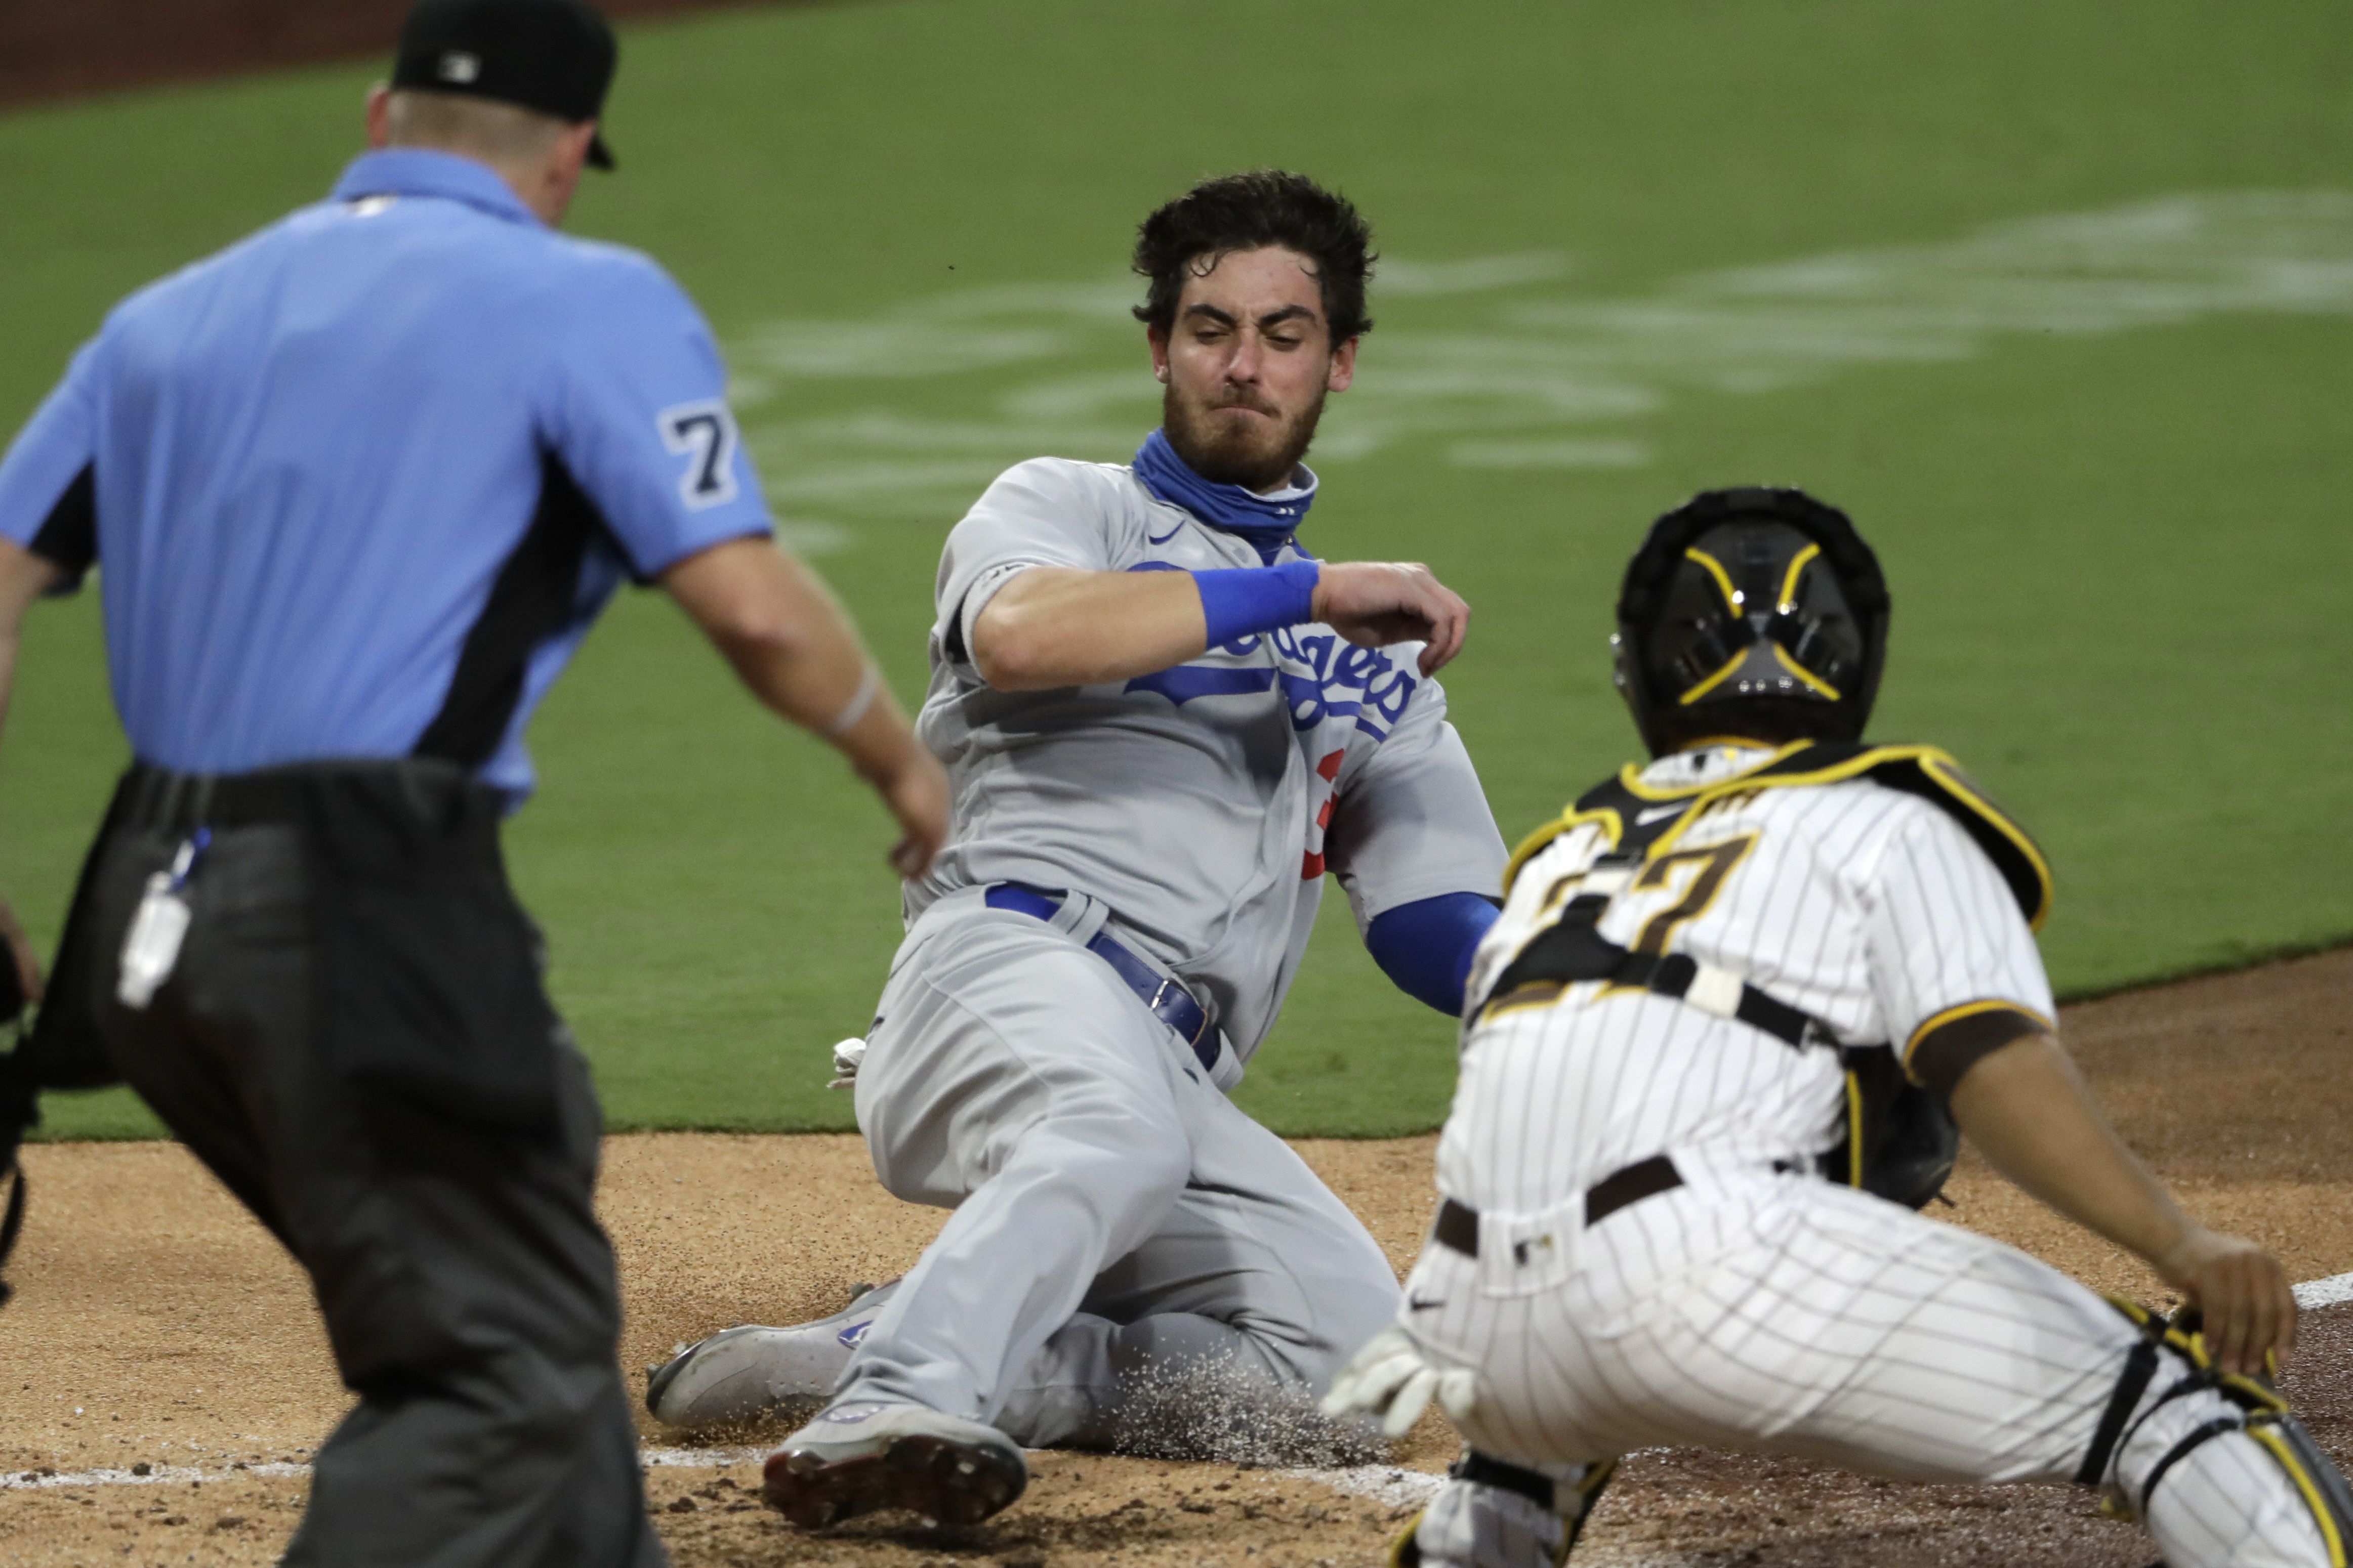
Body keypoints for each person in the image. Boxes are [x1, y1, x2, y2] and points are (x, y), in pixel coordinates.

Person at [0, 1, 947, 1562]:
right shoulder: (579, 296)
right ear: (569, 155)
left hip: (146, 933)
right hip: (359, 907)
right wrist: (906, 768)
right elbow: (758, 606)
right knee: (487, 1375)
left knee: (537, 1321)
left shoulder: (161, 320)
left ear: (379, 120)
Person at [646, 169, 1516, 1527]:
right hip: (1002, 971)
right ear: (1159, 345)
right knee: (1108, 1130)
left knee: (1355, 1380)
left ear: (1337, 363)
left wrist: (1622, 990)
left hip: (1163, 1082)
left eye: (1282, 335)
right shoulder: (1066, 509)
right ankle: (888, 1415)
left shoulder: (1381, 676)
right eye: (1208, 326)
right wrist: (1298, 587)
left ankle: (887, 1352)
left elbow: (1436, 927)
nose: (1241, 362)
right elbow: (1022, 637)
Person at [1323, 487, 2351, 1568]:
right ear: (1852, 662)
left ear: (1643, 671)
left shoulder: (1564, 858)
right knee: (2185, 1404)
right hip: (1716, 1276)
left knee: (1525, 1474)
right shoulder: (1886, 815)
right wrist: (2183, 1243)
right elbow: (1987, 1061)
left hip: (1469, 1312)